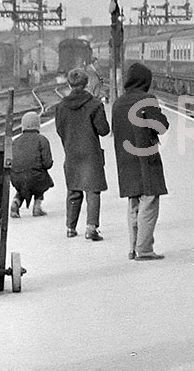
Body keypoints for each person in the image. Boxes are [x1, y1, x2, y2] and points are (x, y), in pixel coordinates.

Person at [112, 62, 169, 261]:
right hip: (146, 157)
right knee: (149, 200)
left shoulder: (118, 103)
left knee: (134, 202)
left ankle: (133, 248)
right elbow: (162, 127)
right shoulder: (147, 100)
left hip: (125, 158)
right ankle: (144, 250)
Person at [55, 68, 109, 240]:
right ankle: (91, 227)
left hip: (71, 152)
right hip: (91, 153)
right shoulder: (94, 104)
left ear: (69, 84)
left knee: (73, 190)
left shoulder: (61, 106)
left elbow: (59, 130)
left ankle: (70, 228)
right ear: (86, 84)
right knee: (93, 190)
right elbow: (103, 130)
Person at [10, 111, 54, 218]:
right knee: (43, 181)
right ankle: (37, 206)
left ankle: (16, 202)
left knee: (24, 184)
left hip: (16, 178)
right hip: (35, 177)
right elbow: (47, 163)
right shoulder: (42, 140)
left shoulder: (15, 141)